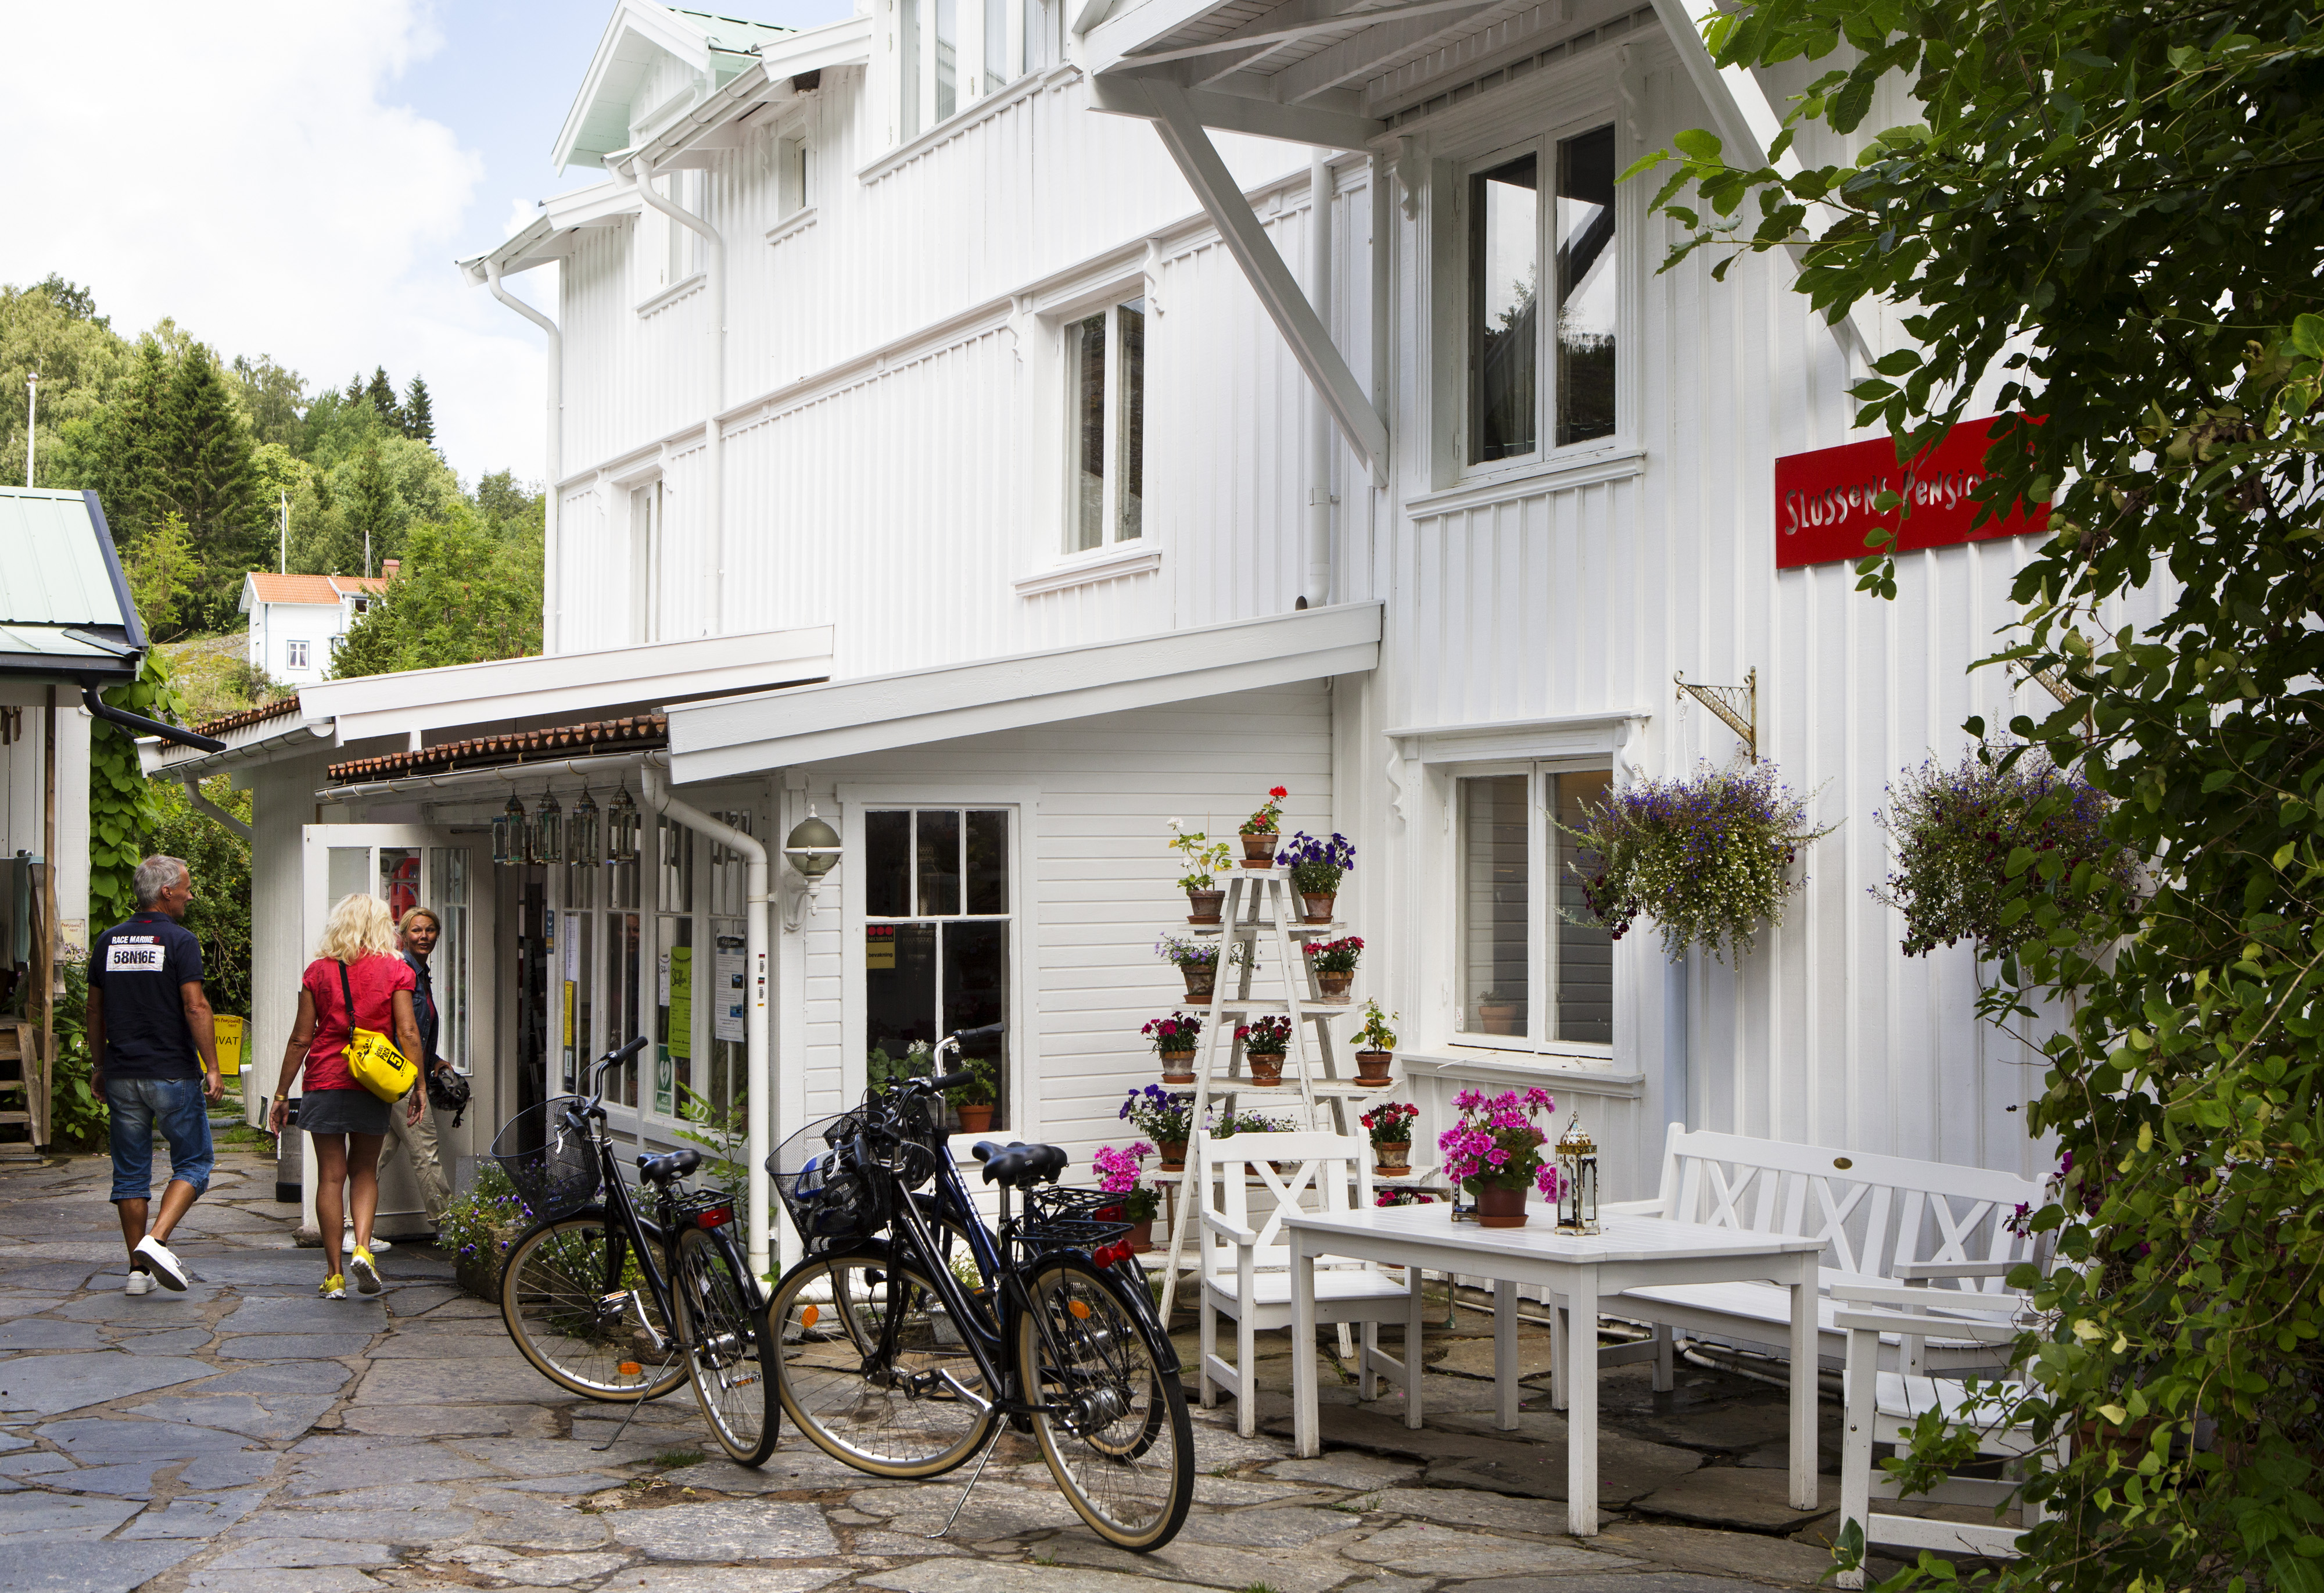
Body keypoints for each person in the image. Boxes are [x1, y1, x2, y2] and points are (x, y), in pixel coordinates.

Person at [266, 894, 423, 1300]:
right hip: (371, 1083)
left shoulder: (318, 971)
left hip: (324, 1078)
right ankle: (365, 1250)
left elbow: (302, 1037)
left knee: (331, 1175)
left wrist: (282, 1092)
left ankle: (334, 1273)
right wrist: (419, 1085)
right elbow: (408, 1032)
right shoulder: (396, 969)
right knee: (365, 1170)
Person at [87, 855, 221, 1295]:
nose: (189, 894)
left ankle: (137, 1273)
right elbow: (195, 1005)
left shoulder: (108, 941)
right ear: (166, 892)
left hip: (123, 1074)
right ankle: (156, 1240)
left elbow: (95, 1009)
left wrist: (100, 1066)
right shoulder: (181, 941)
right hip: (171, 1074)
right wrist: (213, 1065)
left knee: (130, 1174)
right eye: (185, 887)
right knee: (195, 1161)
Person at [379, 907, 455, 1232]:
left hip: (401, 1074)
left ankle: (352, 1226)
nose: (424, 936)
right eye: (416, 931)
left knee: (375, 1154)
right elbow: (405, 1032)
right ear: (404, 935)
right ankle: (452, 1229)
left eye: (430, 930)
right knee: (426, 1151)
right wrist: (419, 1080)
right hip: (404, 1079)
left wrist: (434, 1059)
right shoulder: (405, 972)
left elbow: (417, 1032)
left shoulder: (420, 973)